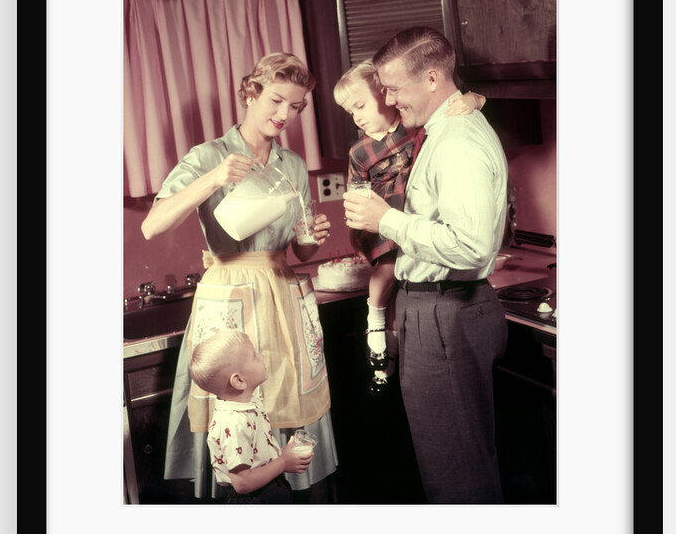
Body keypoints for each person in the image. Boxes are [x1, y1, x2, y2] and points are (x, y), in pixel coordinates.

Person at [142, 52, 338, 501]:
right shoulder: (209, 156)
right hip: (228, 297)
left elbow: (300, 246)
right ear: (250, 93)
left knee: (286, 397)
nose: (284, 114)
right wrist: (214, 177)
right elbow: (152, 226)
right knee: (234, 410)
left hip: (281, 292)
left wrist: (314, 238)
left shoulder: (291, 164)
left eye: (295, 106)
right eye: (275, 100)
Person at [342, 27, 508, 504]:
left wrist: (386, 219)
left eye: (394, 88)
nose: (389, 101)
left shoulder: (456, 143)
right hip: (437, 312)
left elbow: (472, 247)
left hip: (446, 314)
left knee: (456, 472)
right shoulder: (440, 129)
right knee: (455, 461)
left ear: (432, 78)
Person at [333, 59, 485, 395]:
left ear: (384, 94)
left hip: (414, 219)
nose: (356, 116)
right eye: (350, 112)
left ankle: (390, 353)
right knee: (386, 274)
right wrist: (360, 227)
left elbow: (453, 104)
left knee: (403, 286)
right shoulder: (359, 152)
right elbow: (355, 191)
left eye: (360, 105)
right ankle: (375, 328)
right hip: (383, 223)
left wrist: (475, 100)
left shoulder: (414, 125)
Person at [189, 330, 314, 504]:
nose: (261, 356)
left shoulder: (248, 404)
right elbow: (242, 483)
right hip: (255, 499)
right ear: (238, 381)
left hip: (269, 489)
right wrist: (283, 462)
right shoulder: (233, 423)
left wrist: (282, 455)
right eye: (254, 356)